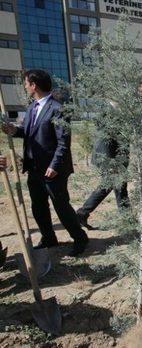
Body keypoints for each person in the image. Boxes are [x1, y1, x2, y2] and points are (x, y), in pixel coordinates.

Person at [1, 69, 88, 256]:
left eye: (26, 83)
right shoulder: (32, 107)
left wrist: (54, 166)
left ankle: (80, 238)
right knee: (38, 206)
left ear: (34, 85)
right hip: (34, 167)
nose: (24, 86)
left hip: (52, 169)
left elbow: (64, 142)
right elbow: (26, 131)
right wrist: (12, 130)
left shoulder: (58, 108)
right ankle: (49, 237)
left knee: (61, 205)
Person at [76, 104, 129, 229]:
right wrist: (109, 163)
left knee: (120, 188)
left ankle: (127, 217)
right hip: (110, 158)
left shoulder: (113, 110)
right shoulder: (110, 111)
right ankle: (83, 212)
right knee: (109, 185)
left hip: (115, 158)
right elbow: (105, 137)